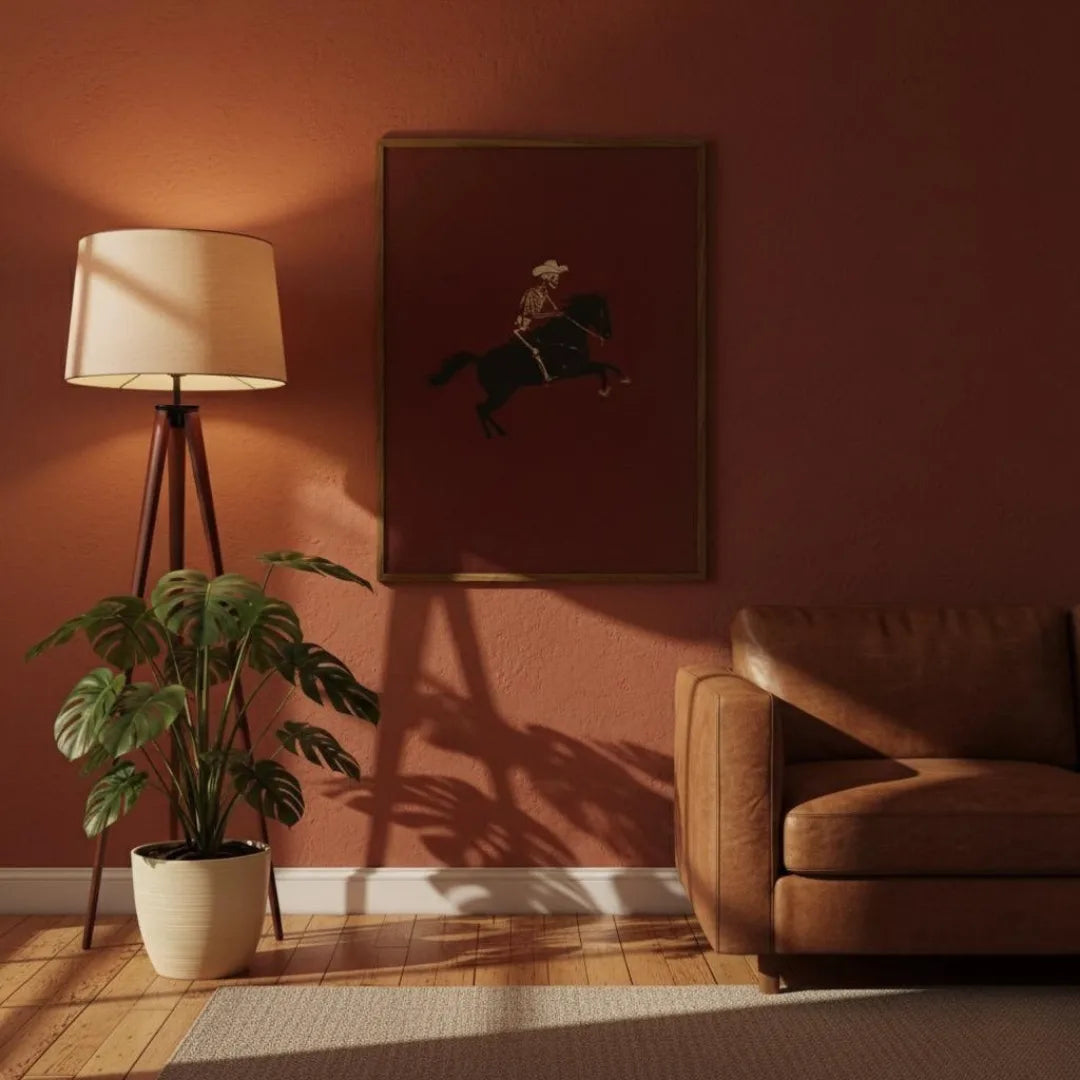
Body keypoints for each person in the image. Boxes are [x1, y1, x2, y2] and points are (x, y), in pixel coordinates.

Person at [513, 259, 567, 381]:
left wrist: (558, 313)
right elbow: (531, 315)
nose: (557, 280)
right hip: (523, 329)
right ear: (545, 277)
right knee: (536, 350)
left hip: (535, 328)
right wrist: (552, 314)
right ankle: (546, 376)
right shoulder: (532, 293)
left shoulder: (544, 293)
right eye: (554, 276)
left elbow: (553, 309)